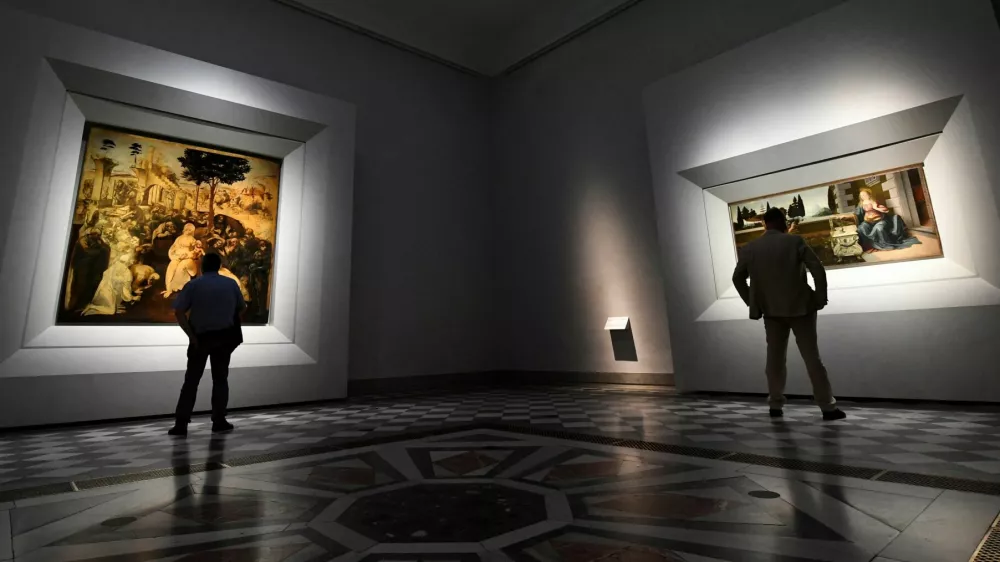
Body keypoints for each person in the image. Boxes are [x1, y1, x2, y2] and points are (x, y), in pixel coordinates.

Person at [732, 207, 846, 421]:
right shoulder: (795, 242)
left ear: (765, 224)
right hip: (801, 307)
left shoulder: (751, 248)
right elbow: (817, 269)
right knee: (812, 358)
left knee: (774, 358)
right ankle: (827, 407)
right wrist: (820, 297)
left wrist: (753, 302)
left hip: (771, 311)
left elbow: (738, 278)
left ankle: (775, 404)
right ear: (782, 222)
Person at [168, 252, 245, 436]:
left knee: (191, 381)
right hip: (224, 337)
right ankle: (219, 420)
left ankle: (181, 423)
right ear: (219, 266)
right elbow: (242, 307)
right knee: (220, 379)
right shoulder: (230, 284)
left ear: (202, 266)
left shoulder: (194, 285)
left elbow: (179, 311)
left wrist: (191, 336)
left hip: (200, 338)